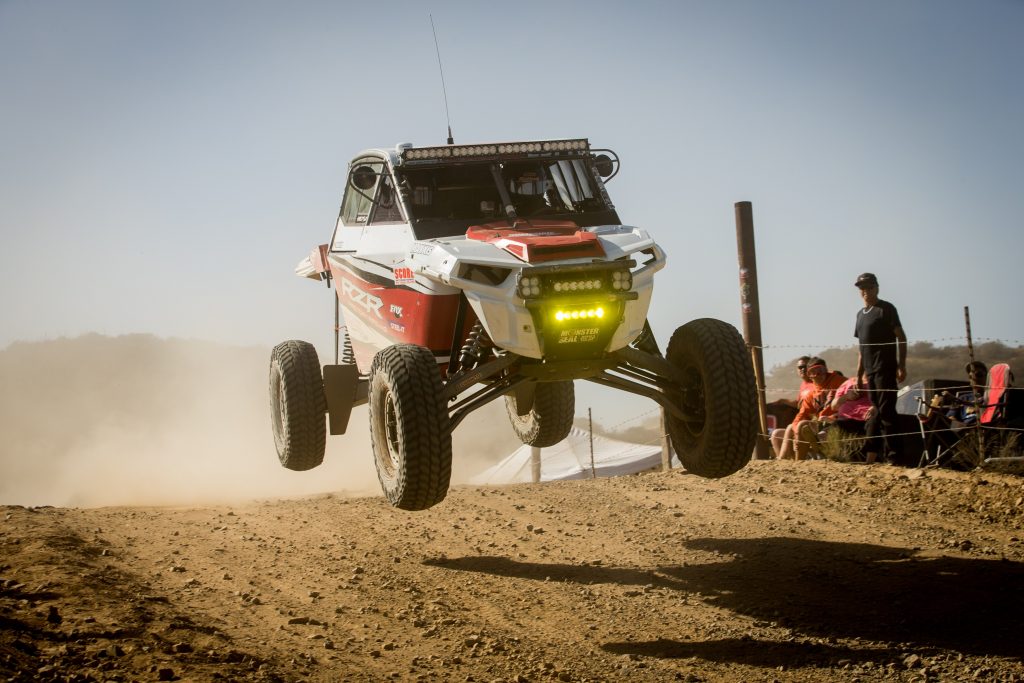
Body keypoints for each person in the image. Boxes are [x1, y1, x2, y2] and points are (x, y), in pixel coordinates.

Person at [853, 272, 907, 464]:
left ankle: (895, 457)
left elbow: (901, 337)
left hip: (885, 367)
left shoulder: (886, 309)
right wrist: (859, 375)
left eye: (869, 287)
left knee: (887, 412)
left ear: (876, 288)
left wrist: (901, 365)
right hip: (870, 371)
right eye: (862, 288)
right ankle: (872, 456)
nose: (865, 291)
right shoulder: (860, 315)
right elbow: (862, 348)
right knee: (876, 411)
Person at [777, 357, 845, 460]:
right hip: (821, 423)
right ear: (809, 375)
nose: (817, 375)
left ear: (826, 370)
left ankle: (799, 459)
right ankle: (798, 461)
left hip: (839, 421)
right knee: (800, 425)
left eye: (820, 370)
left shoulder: (839, 381)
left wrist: (833, 417)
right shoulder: (812, 393)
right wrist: (796, 434)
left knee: (803, 425)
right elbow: (802, 414)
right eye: (813, 372)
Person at [770, 356, 815, 457]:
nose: (802, 369)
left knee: (790, 428)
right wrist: (783, 401)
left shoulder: (816, 382)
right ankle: (787, 463)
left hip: (809, 424)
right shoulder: (803, 385)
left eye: (805, 366)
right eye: (800, 367)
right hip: (800, 422)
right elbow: (799, 404)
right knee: (776, 434)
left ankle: (782, 460)